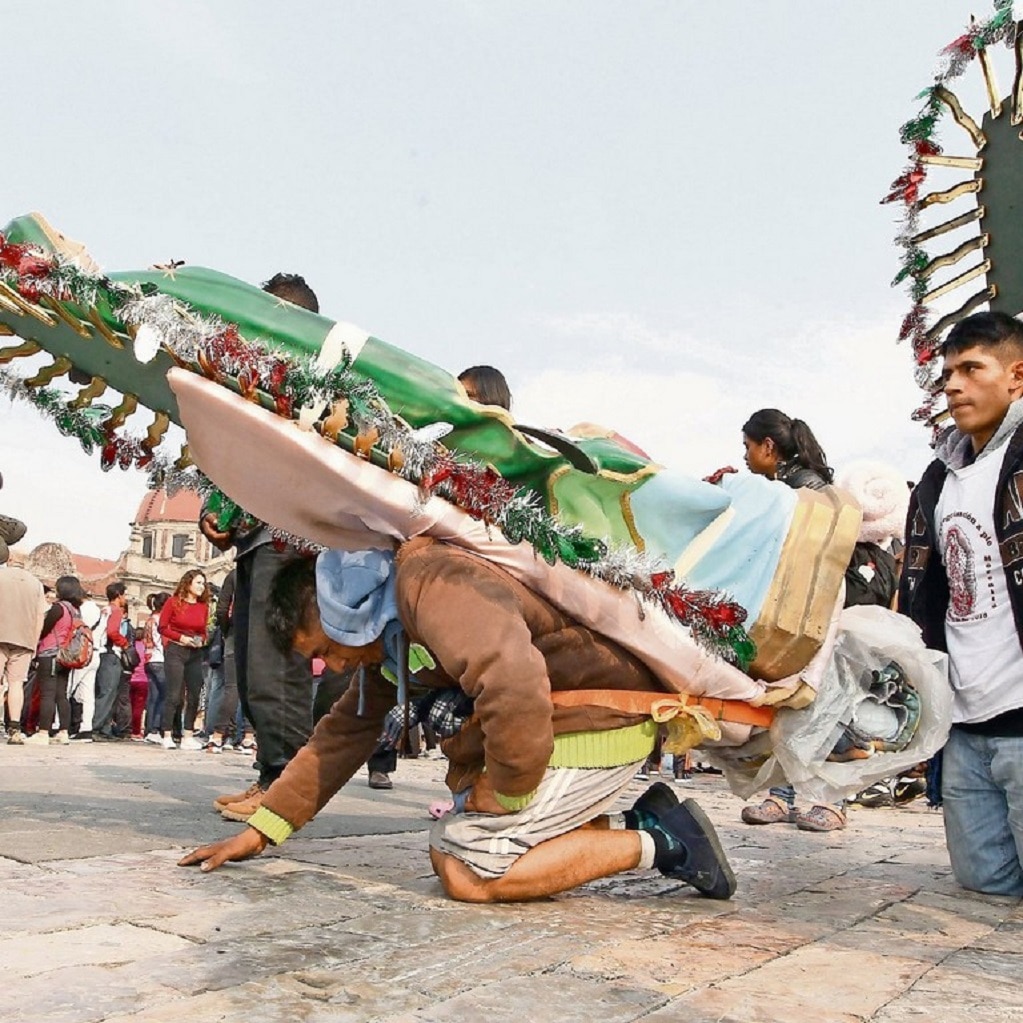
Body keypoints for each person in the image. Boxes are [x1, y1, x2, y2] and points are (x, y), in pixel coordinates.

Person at [180, 541, 736, 903]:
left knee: (472, 872)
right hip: (562, 724)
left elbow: (513, 684)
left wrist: (509, 788)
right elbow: (343, 733)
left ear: (338, 609)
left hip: (598, 719)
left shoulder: (432, 585)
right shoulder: (388, 635)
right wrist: (263, 831)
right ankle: (635, 820)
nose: (338, 666)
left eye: (327, 649)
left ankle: (665, 842)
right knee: (449, 849)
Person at [900, 310, 1023, 897]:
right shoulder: (937, 481)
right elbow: (926, 595)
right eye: (948, 373)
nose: (952, 385)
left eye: (972, 369)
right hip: (966, 724)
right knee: (984, 884)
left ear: (1017, 377)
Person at [199, 272, 324, 819]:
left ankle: (288, 786)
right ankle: (271, 772)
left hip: (288, 539)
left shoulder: (314, 385)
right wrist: (217, 513)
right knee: (252, 669)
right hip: (254, 538)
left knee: (277, 668)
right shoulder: (257, 380)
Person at [737, 409, 847, 832]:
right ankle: (781, 796)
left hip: (811, 605)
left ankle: (830, 800)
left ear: (768, 447)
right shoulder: (789, 487)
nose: (745, 456)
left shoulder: (803, 491)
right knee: (785, 703)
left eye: (748, 447)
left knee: (813, 703)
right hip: (798, 602)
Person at [26, 575, 86, 745]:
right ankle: (63, 731)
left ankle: (43, 732)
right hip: (66, 656)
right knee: (62, 695)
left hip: (50, 653)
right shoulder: (76, 610)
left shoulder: (58, 608)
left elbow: (44, 629)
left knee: (47, 694)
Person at [0, 544, 47, 745]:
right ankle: (14, 729)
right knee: (16, 684)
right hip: (24, 640)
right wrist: (34, 642)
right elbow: (40, 616)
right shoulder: (35, 584)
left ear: (9, 560)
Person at [158, 569, 209, 750]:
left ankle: (188, 734)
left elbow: (203, 631)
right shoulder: (173, 602)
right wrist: (181, 638)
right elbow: (162, 627)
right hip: (175, 650)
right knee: (174, 694)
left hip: (195, 652)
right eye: (198, 583)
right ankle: (167, 734)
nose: (202, 587)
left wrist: (201, 640)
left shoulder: (203, 607)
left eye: (203, 583)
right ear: (188, 584)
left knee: (195, 692)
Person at [92, 581, 133, 741]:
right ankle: (97, 727)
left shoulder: (105, 609)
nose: (125, 598)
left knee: (106, 691)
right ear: (118, 595)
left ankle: (105, 728)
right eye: (124, 594)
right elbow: (112, 632)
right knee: (108, 692)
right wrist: (125, 643)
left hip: (102, 652)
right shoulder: (115, 611)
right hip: (111, 653)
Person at [142, 592, 169, 743]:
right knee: (164, 696)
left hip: (149, 659)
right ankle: (156, 728)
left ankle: (149, 729)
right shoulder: (162, 621)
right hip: (160, 659)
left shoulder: (150, 619)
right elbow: (164, 642)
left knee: (153, 697)